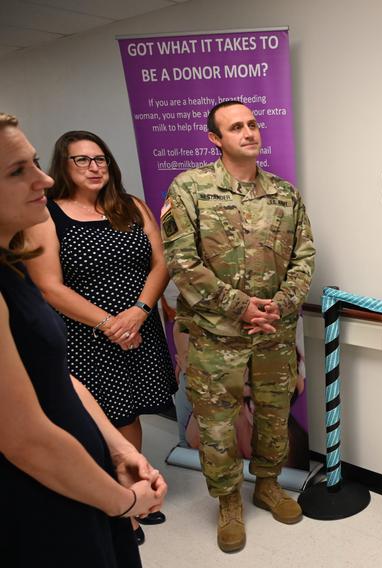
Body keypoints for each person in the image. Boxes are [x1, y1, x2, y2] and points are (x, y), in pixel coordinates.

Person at [0, 113, 167, 567]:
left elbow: (160, 262)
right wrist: (110, 324)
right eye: (81, 161)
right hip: (87, 333)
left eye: (100, 159)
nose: (93, 167)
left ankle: (129, 481)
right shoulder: (46, 216)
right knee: (103, 408)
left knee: (129, 411)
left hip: (139, 325)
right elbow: (51, 287)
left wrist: (138, 313)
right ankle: (122, 503)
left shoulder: (131, 206)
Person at [162, 100, 316, 553]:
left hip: (273, 333)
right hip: (216, 335)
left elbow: (304, 255)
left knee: (273, 415)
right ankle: (229, 501)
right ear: (216, 139)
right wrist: (241, 307)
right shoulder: (190, 188)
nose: (248, 132)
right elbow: (182, 263)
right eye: (236, 127)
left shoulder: (284, 193)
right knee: (216, 427)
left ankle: (267, 485)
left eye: (252, 124)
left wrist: (280, 305)